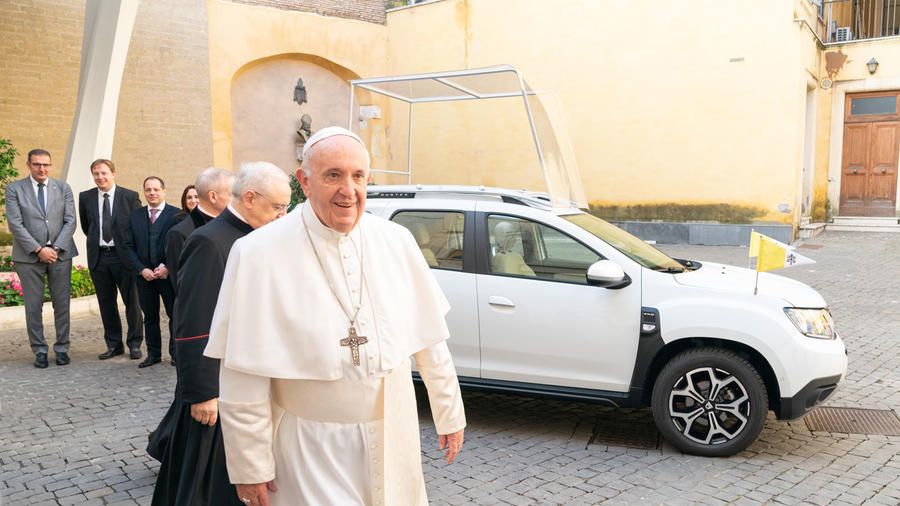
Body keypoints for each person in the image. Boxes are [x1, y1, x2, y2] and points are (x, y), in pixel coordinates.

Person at [205, 127, 466, 506]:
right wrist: (250, 466)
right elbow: (243, 373)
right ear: (304, 182)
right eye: (333, 176)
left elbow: (430, 339)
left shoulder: (396, 241)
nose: (349, 191)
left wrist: (449, 411)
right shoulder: (257, 253)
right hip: (309, 445)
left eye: (358, 176)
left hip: (392, 432)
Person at [150, 162, 290, 506]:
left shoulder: (256, 236)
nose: (281, 215)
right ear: (251, 199)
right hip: (218, 390)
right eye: (277, 207)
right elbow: (193, 320)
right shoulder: (209, 242)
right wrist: (202, 392)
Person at [4, 149, 78, 368]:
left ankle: (62, 348)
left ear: (51, 165)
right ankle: (40, 351)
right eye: (37, 164)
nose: (42, 169)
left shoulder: (63, 188)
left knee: (62, 304)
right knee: (33, 306)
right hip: (28, 257)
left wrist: (54, 248)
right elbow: (15, 224)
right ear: (28, 165)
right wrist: (38, 250)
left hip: (60, 254)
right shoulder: (15, 189)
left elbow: (71, 221)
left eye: (46, 164)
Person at [78, 159, 145, 361]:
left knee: (132, 303)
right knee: (106, 304)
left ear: (113, 174)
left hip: (123, 257)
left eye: (104, 173)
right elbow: (86, 225)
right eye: (96, 174)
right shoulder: (86, 197)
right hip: (99, 257)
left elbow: (137, 227)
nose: (100, 177)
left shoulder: (129, 196)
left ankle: (134, 344)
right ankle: (114, 345)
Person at [121, 176, 179, 368]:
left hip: (167, 275)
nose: (152, 193)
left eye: (156, 189)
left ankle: (176, 354)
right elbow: (127, 246)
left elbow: (180, 246)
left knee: (174, 315)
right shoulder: (135, 216)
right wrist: (141, 269)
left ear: (163, 191)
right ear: (144, 192)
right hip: (144, 277)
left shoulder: (176, 215)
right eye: (148, 190)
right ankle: (153, 354)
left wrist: (168, 267)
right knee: (150, 317)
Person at [165, 169, 233, 293]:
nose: (235, 199)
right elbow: (183, 288)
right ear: (213, 196)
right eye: (232, 194)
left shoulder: (233, 225)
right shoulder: (179, 234)